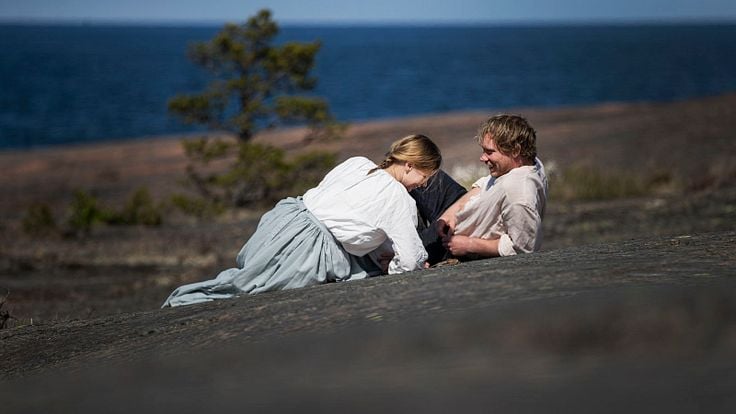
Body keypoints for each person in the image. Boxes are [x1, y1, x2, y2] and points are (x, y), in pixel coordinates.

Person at [163, 134, 441, 307]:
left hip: (284, 219)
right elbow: (410, 259)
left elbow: (343, 212)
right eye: (424, 177)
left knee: (245, 279)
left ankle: (189, 300)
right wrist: (394, 265)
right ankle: (183, 303)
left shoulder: (357, 163)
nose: (421, 186)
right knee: (244, 294)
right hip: (307, 248)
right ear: (409, 165)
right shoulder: (398, 197)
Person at [411, 114, 547, 263]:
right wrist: (451, 213)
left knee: (402, 253)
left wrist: (469, 245)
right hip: (463, 213)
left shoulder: (518, 192)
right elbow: (484, 184)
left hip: (453, 241)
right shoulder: (527, 162)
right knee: (415, 165)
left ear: (515, 150)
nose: (482, 158)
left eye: (489, 152)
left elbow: (524, 247)